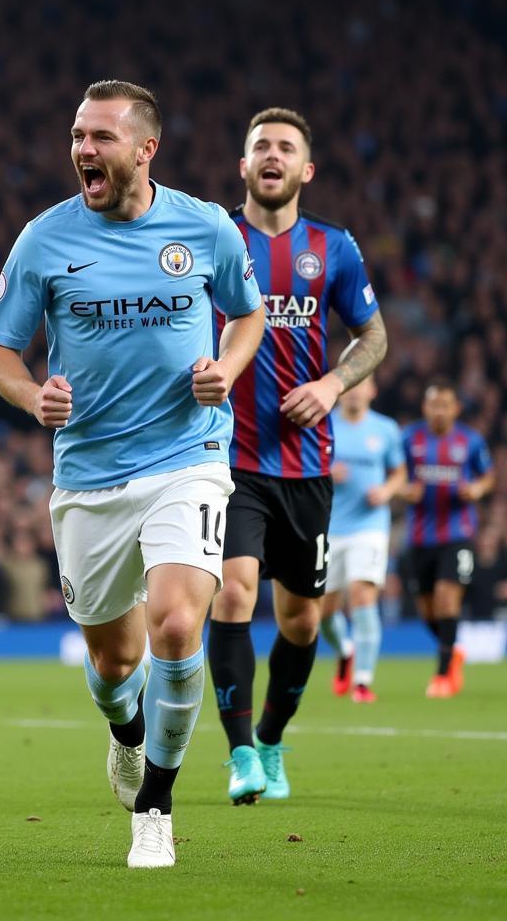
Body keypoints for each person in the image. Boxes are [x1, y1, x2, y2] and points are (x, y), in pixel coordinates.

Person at [0, 80, 264, 868]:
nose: (82, 150)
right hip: (90, 476)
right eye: (77, 135)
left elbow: (247, 314)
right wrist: (32, 393)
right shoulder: (43, 238)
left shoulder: (204, 227)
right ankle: (126, 733)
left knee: (176, 626)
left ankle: (157, 806)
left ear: (146, 149)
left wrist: (228, 369)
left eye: (100, 137)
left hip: (189, 458)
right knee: (114, 665)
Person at [208, 107, 387, 805]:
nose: (272, 156)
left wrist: (332, 382)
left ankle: (275, 739)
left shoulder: (333, 247)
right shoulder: (214, 237)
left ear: (306, 169)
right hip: (228, 459)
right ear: (244, 166)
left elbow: (373, 337)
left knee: (303, 621)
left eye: (286, 148)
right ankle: (241, 753)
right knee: (232, 592)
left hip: (306, 466)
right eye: (261, 147)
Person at [401, 379, 494, 697]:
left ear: (456, 408)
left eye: (445, 405)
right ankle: (452, 648)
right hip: (418, 536)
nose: (439, 411)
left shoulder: (470, 441)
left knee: (446, 597)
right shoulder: (409, 439)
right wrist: (403, 490)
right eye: (433, 405)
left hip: (458, 533)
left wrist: (478, 489)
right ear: (425, 408)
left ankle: (442, 676)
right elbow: (396, 475)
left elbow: (488, 475)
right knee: (427, 608)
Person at [319, 377, 406, 702]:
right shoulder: (324, 424)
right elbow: (306, 467)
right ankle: (345, 649)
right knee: (325, 613)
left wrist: (386, 490)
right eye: (351, 384)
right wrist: (326, 472)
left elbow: (400, 473)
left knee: (362, 596)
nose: (355, 390)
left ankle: (362, 682)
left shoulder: (385, 429)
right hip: (330, 527)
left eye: (362, 384)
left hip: (370, 527)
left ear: (373, 389)